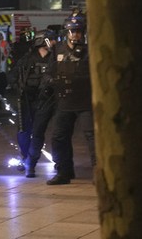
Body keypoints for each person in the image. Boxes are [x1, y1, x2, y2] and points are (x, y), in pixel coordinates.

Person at [45, 11, 95, 185]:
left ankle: (99, 172)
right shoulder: (58, 49)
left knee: (92, 138)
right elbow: (50, 71)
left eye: (78, 31)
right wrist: (51, 81)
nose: (75, 34)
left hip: (85, 101)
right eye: (72, 31)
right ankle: (64, 172)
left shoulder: (91, 50)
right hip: (64, 101)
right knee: (58, 137)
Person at [9, 32, 56, 177]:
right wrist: (18, 87)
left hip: (44, 100)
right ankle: (26, 157)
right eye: (51, 40)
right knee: (23, 130)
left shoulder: (53, 59)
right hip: (26, 99)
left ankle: (31, 161)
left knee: (38, 131)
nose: (54, 42)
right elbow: (13, 75)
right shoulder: (28, 58)